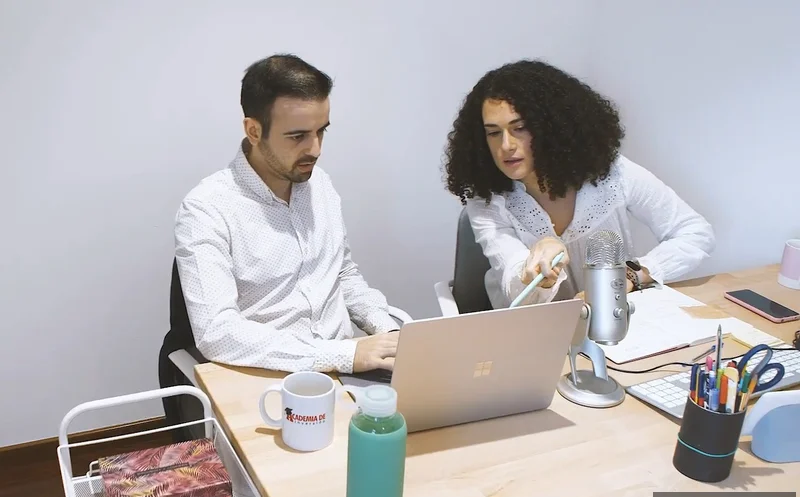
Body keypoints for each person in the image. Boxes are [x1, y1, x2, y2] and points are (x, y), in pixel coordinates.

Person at [172, 54, 401, 375]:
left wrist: (387, 332)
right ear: (254, 130)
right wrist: (344, 355)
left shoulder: (320, 185)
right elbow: (217, 331)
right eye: (298, 136)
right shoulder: (207, 209)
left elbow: (343, 275)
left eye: (321, 131)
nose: (316, 149)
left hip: (349, 369)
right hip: (270, 376)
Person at [444, 59, 715, 309]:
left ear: (552, 127)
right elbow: (517, 292)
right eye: (493, 133)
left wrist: (630, 276)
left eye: (520, 128)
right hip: (533, 332)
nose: (506, 145)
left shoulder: (611, 173)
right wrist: (537, 271)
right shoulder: (487, 200)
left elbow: (695, 232)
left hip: (614, 325)